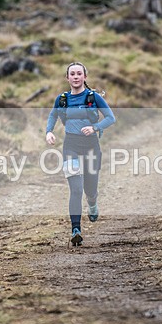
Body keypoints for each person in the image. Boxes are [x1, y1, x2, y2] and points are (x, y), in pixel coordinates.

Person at [46, 62, 116, 246]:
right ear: (67, 78)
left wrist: (95, 127)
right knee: (76, 189)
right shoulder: (62, 99)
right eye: (72, 74)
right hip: (71, 146)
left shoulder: (93, 97)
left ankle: (92, 203)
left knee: (90, 189)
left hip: (91, 145)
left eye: (79, 74)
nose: (76, 77)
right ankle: (75, 229)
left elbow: (111, 118)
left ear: (85, 77)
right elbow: (53, 115)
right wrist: (49, 131)